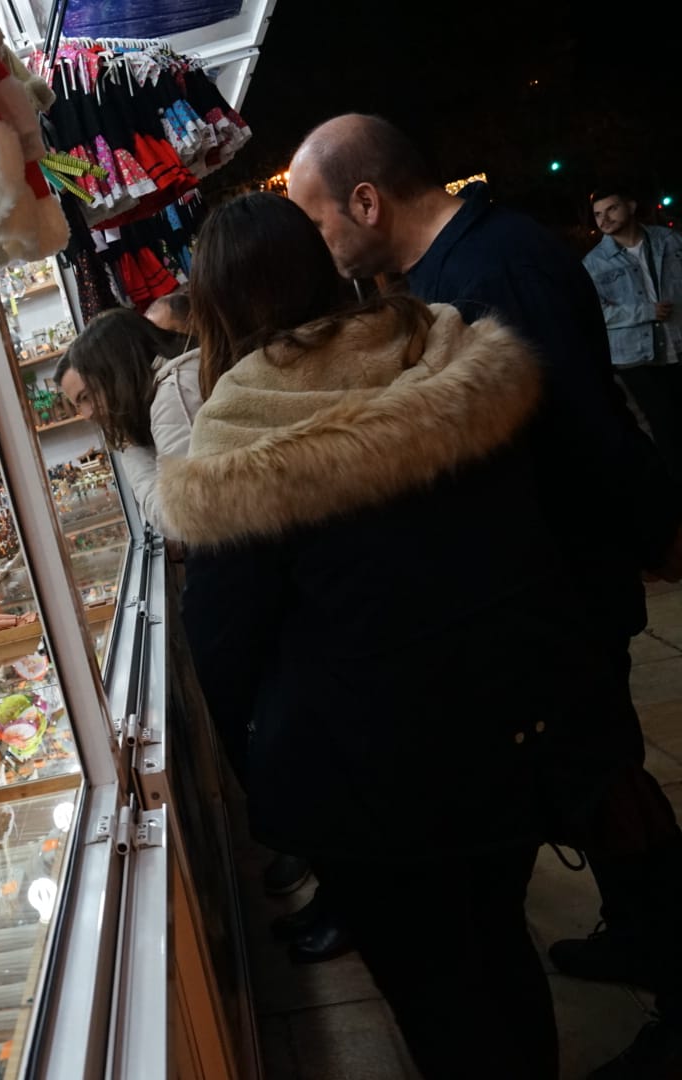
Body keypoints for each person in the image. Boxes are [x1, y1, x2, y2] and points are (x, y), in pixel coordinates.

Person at [161, 191, 601, 1080]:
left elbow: (226, 648)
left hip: (371, 775)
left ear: (216, 305)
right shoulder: (438, 347)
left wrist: (268, 778)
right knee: (499, 947)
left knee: (434, 992)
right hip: (512, 727)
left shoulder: (242, 425)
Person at [288, 113, 682, 1077]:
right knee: (597, 782)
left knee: (608, 779)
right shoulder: (461, 264)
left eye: (318, 218)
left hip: (566, 580)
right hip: (548, 580)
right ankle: (640, 936)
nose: (320, 243)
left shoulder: (488, 272)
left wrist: (638, 543)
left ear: (367, 201)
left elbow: (576, 432)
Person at [55, 307, 201, 535]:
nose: (87, 413)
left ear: (116, 371)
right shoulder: (176, 386)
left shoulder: (174, 396)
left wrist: (127, 443)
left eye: (87, 395)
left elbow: (178, 518)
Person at [585, 184, 682, 482]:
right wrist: (645, 311)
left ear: (631, 205)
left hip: (678, 345)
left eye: (611, 209)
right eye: (598, 214)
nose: (604, 219)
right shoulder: (593, 263)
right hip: (636, 357)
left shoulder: (670, 241)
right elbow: (596, 313)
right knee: (664, 426)